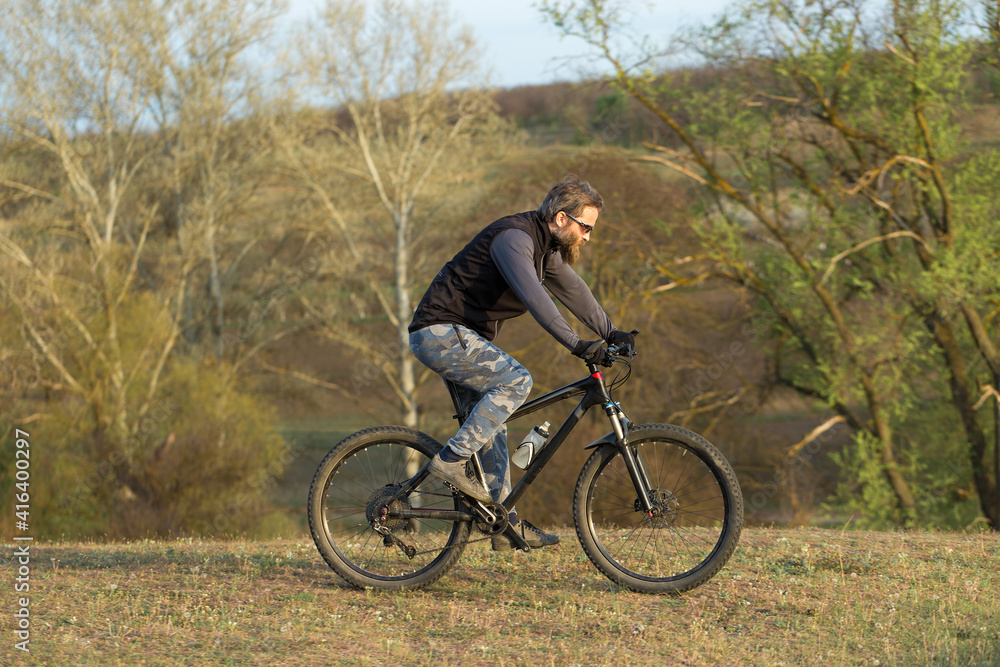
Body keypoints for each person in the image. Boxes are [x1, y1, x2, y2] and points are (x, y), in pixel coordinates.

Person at [408, 176, 635, 551]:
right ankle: (450, 461)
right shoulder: (515, 239)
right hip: (440, 332)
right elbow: (538, 301)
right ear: (562, 218)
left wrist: (613, 333)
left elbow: (575, 293)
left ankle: (502, 523)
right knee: (515, 381)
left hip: (461, 336)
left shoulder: (546, 250)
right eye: (586, 227)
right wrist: (578, 345)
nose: (588, 237)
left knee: (492, 421)